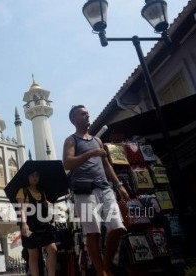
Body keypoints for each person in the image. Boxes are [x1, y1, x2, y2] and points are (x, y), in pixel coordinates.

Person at [63, 105, 130, 276]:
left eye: (87, 113)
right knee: (93, 233)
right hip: (84, 190)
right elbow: (67, 163)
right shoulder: (71, 140)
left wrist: (119, 185)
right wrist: (90, 154)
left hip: (104, 188)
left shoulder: (97, 140)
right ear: (74, 120)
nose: (87, 115)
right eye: (82, 113)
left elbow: (107, 165)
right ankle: (101, 272)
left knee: (117, 227)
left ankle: (105, 267)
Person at [17, 170, 57, 276]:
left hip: (43, 225)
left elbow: (46, 210)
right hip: (30, 226)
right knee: (33, 255)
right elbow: (21, 209)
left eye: (37, 175)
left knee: (53, 249)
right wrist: (24, 224)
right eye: (32, 175)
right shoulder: (23, 191)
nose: (35, 177)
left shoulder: (42, 193)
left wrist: (49, 207)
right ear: (28, 177)